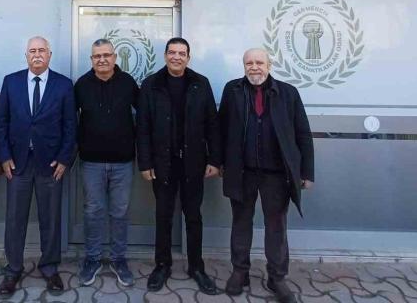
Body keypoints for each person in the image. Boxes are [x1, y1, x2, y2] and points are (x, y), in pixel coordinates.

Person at [218, 48, 315, 303]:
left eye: (259, 62)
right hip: (242, 172)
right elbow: (220, 129)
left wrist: (306, 172)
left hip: (277, 175)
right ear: (243, 66)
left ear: (269, 65)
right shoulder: (232, 90)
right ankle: (240, 272)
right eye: (249, 63)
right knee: (241, 223)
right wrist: (217, 162)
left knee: (276, 227)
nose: (254, 67)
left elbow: (303, 133)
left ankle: (277, 277)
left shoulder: (288, 93)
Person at [137, 37, 221, 295]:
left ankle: (196, 267)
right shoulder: (151, 84)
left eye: (181, 53)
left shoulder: (200, 83)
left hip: (193, 164)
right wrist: (145, 162)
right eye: (172, 52)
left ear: (188, 57)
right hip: (162, 163)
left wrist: (214, 159)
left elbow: (212, 124)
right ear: (165, 56)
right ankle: (162, 265)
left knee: (193, 216)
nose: (176, 57)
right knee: (163, 216)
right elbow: (143, 127)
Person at [0, 36, 77, 295]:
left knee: (50, 219)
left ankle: (50, 268)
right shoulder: (11, 82)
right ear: (26, 55)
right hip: (17, 163)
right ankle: (13, 270)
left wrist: (64, 159)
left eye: (42, 50)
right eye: (32, 51)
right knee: (14, 219)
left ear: (49, 55)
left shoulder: (64, 85)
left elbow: (71, 125)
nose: (37, 54)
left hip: (50, 164)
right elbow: (1, 122)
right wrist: (4, 156)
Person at [74, 39, 139, 287]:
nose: (102, 59)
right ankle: (92, 259)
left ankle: (118, 259)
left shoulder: (128, 83)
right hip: (91, 162)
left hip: (123, 162)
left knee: (120, 212)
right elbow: (70, 120)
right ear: (91, 60)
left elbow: (145, 114)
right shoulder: (82, 85)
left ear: (114, 57)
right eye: (96, 56)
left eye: (106, 55)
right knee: (93, 212)